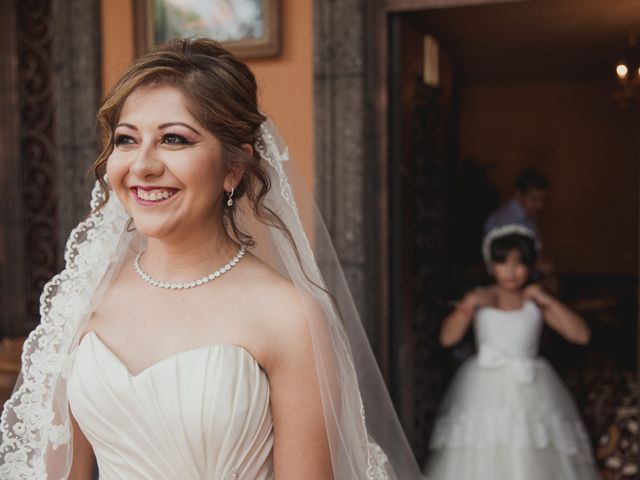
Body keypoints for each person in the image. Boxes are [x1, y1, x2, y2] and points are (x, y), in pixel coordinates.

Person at [0, 39, 424, 479]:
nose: (143, 165)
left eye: (174, 139)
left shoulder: (289, 315)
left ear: (234, 168)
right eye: (126, 140)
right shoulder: (84, 301)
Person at [424, 224, 600, 480]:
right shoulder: (481, 299)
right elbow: (447, 338)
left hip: (532, 387)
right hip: (483, 390)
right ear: (490, 264)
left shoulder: (534, 301)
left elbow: (581, 335)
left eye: (519, 263)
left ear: (530, 266)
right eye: (503, 262)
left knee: (533, 456)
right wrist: (468, 304)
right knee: (481, 455)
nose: (511, 271)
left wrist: (546, 299)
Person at [483, 168, 550, 242]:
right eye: (534, 199)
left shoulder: (528, 215)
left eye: (543, 200)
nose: (540, 205)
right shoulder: (505, 222)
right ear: (518, 194)